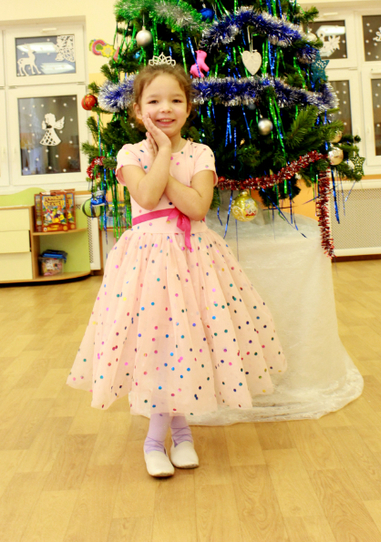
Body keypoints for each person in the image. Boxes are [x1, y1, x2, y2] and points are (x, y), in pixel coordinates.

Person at [67, 58, 286, 477]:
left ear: (188, 108)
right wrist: (164, 152)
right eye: (154, 101)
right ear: (138, 110)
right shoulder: (130, 153)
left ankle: (178, 436)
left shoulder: (201, 153)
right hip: (147, 263)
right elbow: (148, 197)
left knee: (184, 344)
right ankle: (162, 439)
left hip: (193, 259)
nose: (164, 108)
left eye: (175, 100)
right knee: (157, 344)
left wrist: (166, 158)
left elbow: (197, 207)